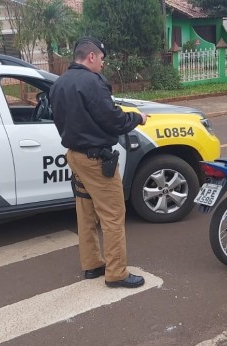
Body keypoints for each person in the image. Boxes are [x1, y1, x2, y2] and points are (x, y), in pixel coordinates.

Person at [49, 37, 148, 288]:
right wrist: (137, 118)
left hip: (75, 157)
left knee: (85, 213)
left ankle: (92, 264)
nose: (103, 64)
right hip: (96, 160)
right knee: (113, 215)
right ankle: (116, 273)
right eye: (102, 59)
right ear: (91, 57)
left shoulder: (59, 83)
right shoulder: (92, 82)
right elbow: (113, 120)